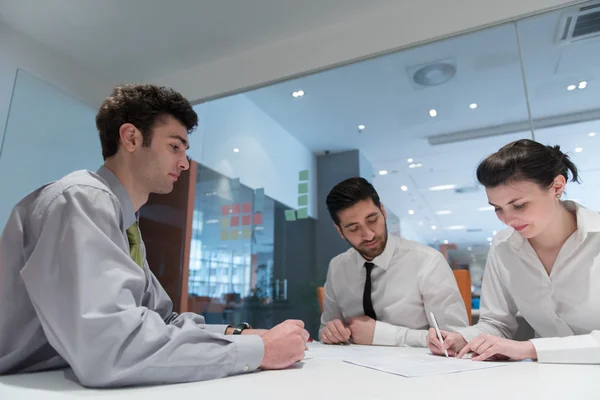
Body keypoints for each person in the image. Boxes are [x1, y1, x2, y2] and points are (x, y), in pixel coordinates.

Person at [0, 84, 309, 387]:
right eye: (175, 146)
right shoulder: (83, 199)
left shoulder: (126, 224)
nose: (184, 163)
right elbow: (112, 348)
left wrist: (236, 335)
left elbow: (163, 320)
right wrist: (261, 351)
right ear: (131, 138)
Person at [427, 139, 600, 364]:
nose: (508, 220)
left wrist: (531, 348)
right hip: (546, 378)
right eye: (498, 209)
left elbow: (528, 347)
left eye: (519, 205)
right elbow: (497, 323)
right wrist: (462, 339)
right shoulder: (503, 247)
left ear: (557, 187)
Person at [319, 177, 468, 347]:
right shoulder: (338, 267)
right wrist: (330, 332)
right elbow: (326, 328)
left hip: (419, 369)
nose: (368, 235)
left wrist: (382, 335)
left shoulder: (428, 261)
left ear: (383, 211)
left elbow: (455, 339)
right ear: (339, 231)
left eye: (372, 220)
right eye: (353, 228)